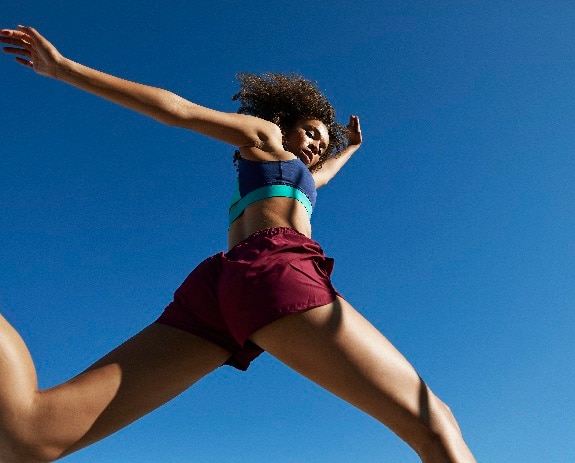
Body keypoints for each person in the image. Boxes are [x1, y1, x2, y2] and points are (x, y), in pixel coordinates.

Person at [0, 25, 476, 463]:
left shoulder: (295, 178)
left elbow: (323, 175)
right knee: (435, 423)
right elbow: (179, 111)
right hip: (275, 268)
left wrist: (349, 147)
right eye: (310, 132)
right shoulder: (266, 138)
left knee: (32, 434)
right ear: (283, 121)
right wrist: (64, 68)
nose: (316, 145)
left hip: (220, 291)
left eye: (321, 142)